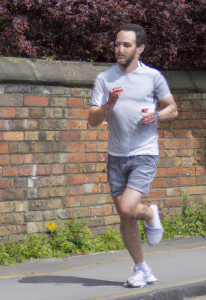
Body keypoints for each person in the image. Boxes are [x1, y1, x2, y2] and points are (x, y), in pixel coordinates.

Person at [88, 23, 178, 288]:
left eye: (126, 45)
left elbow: (172, 108)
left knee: (128, 208)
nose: (119, 49)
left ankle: (150, 214)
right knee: (125, 216)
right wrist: (108, 106)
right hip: (115, 156)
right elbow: (92, 120)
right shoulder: (105, 79)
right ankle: (141, 269)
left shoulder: (153, 77)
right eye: (117, 44)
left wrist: (157, 115)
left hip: (144, 153)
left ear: (139, 48)